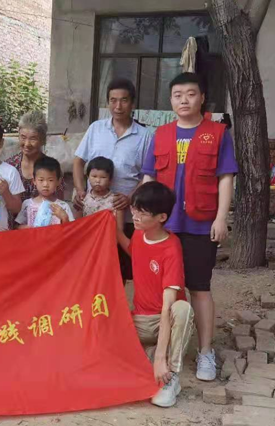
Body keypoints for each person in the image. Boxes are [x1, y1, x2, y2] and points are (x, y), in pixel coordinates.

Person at [141, 72, 237, 382]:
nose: (184, 100)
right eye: (177, 94)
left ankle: (206, 351)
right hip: (163, 226)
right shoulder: (161, 135)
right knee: (163, 289)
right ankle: (164, 347)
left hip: (199, 225)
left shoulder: (218, 134)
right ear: (171, 100)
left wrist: (221, 217)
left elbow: (225, 178)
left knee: (199, 287)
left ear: (202, 97)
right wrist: (142, 217)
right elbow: (149, 178)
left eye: (191, 94)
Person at [116, 182, 193, 408]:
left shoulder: (171, 248)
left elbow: (167, 307)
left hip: (162, 321)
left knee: (182, 309)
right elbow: (131, 249)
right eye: (134, 209)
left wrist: (160, 359)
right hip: (139, 320)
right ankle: (150, 355)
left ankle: (171, 376)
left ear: (161, 217)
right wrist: (114, 225)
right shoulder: (139, 234)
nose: (135, 216)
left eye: (142, 212)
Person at [73, 78, 152, 281]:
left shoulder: (144, 136)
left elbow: (148, 174)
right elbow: (78, 161)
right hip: (92, 217)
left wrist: (130, 198)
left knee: (121, 271)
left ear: (132, 103)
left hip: (126, 216)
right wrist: (80, 190)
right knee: (91, 271)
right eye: (113, 100)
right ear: (108, 102)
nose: (118, 106)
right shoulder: (96, 129)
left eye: (124, 100)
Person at [15, 156, 75, 228]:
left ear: (58, 181)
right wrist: (27, 228)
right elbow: (17, 227)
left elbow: (71, 230)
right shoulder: (27, 204)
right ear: (34, 181)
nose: (45, 184)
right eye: (41, 180)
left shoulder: (63, 206)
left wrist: (64, 217)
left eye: (50, 180)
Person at [82, 156, 124, 231]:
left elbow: (119, 229)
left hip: (107, 237)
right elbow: (78, 223)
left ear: (110, 179)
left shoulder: (116, 201)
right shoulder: (83, 198)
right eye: (94, 176)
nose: (98, 180)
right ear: (88, 177)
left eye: (103, 177)